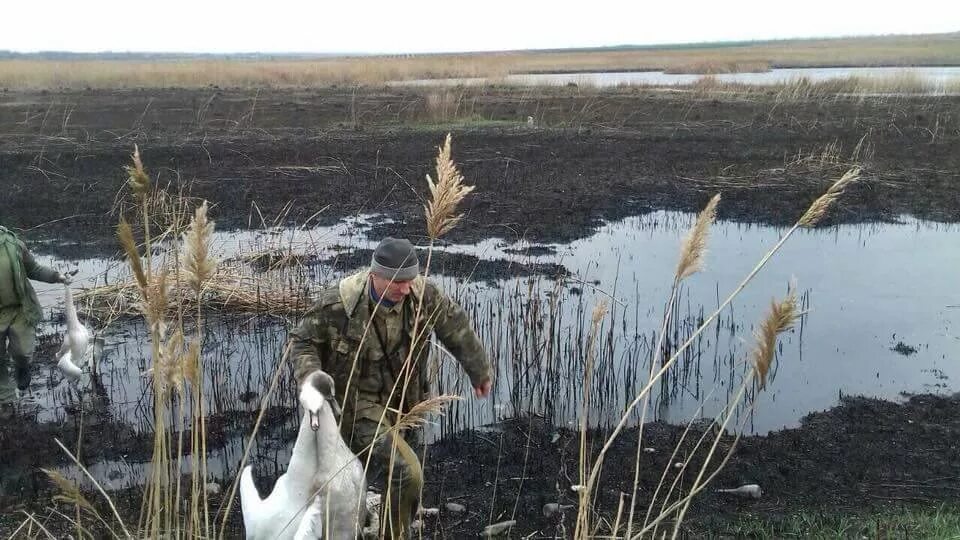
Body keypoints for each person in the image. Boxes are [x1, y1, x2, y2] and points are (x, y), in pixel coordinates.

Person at [290, 237, 492, 539]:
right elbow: (303, 340)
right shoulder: (340, 303)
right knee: (407, 472)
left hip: (406, 402)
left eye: (410, 279)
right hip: (357, 406)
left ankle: (385, 525)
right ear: (375, 275)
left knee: (403, 481)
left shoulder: (423, 294)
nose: (405, 288)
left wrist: (479, 371)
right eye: (397, 282)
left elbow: (455, 326)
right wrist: (311, 377)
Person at [0, 225, 70, 408]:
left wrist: (57, 276)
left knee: (23, 352)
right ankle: (7, 400)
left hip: (21, 309)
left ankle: (22, 368)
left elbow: (34, 269)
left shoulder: (13, 244)